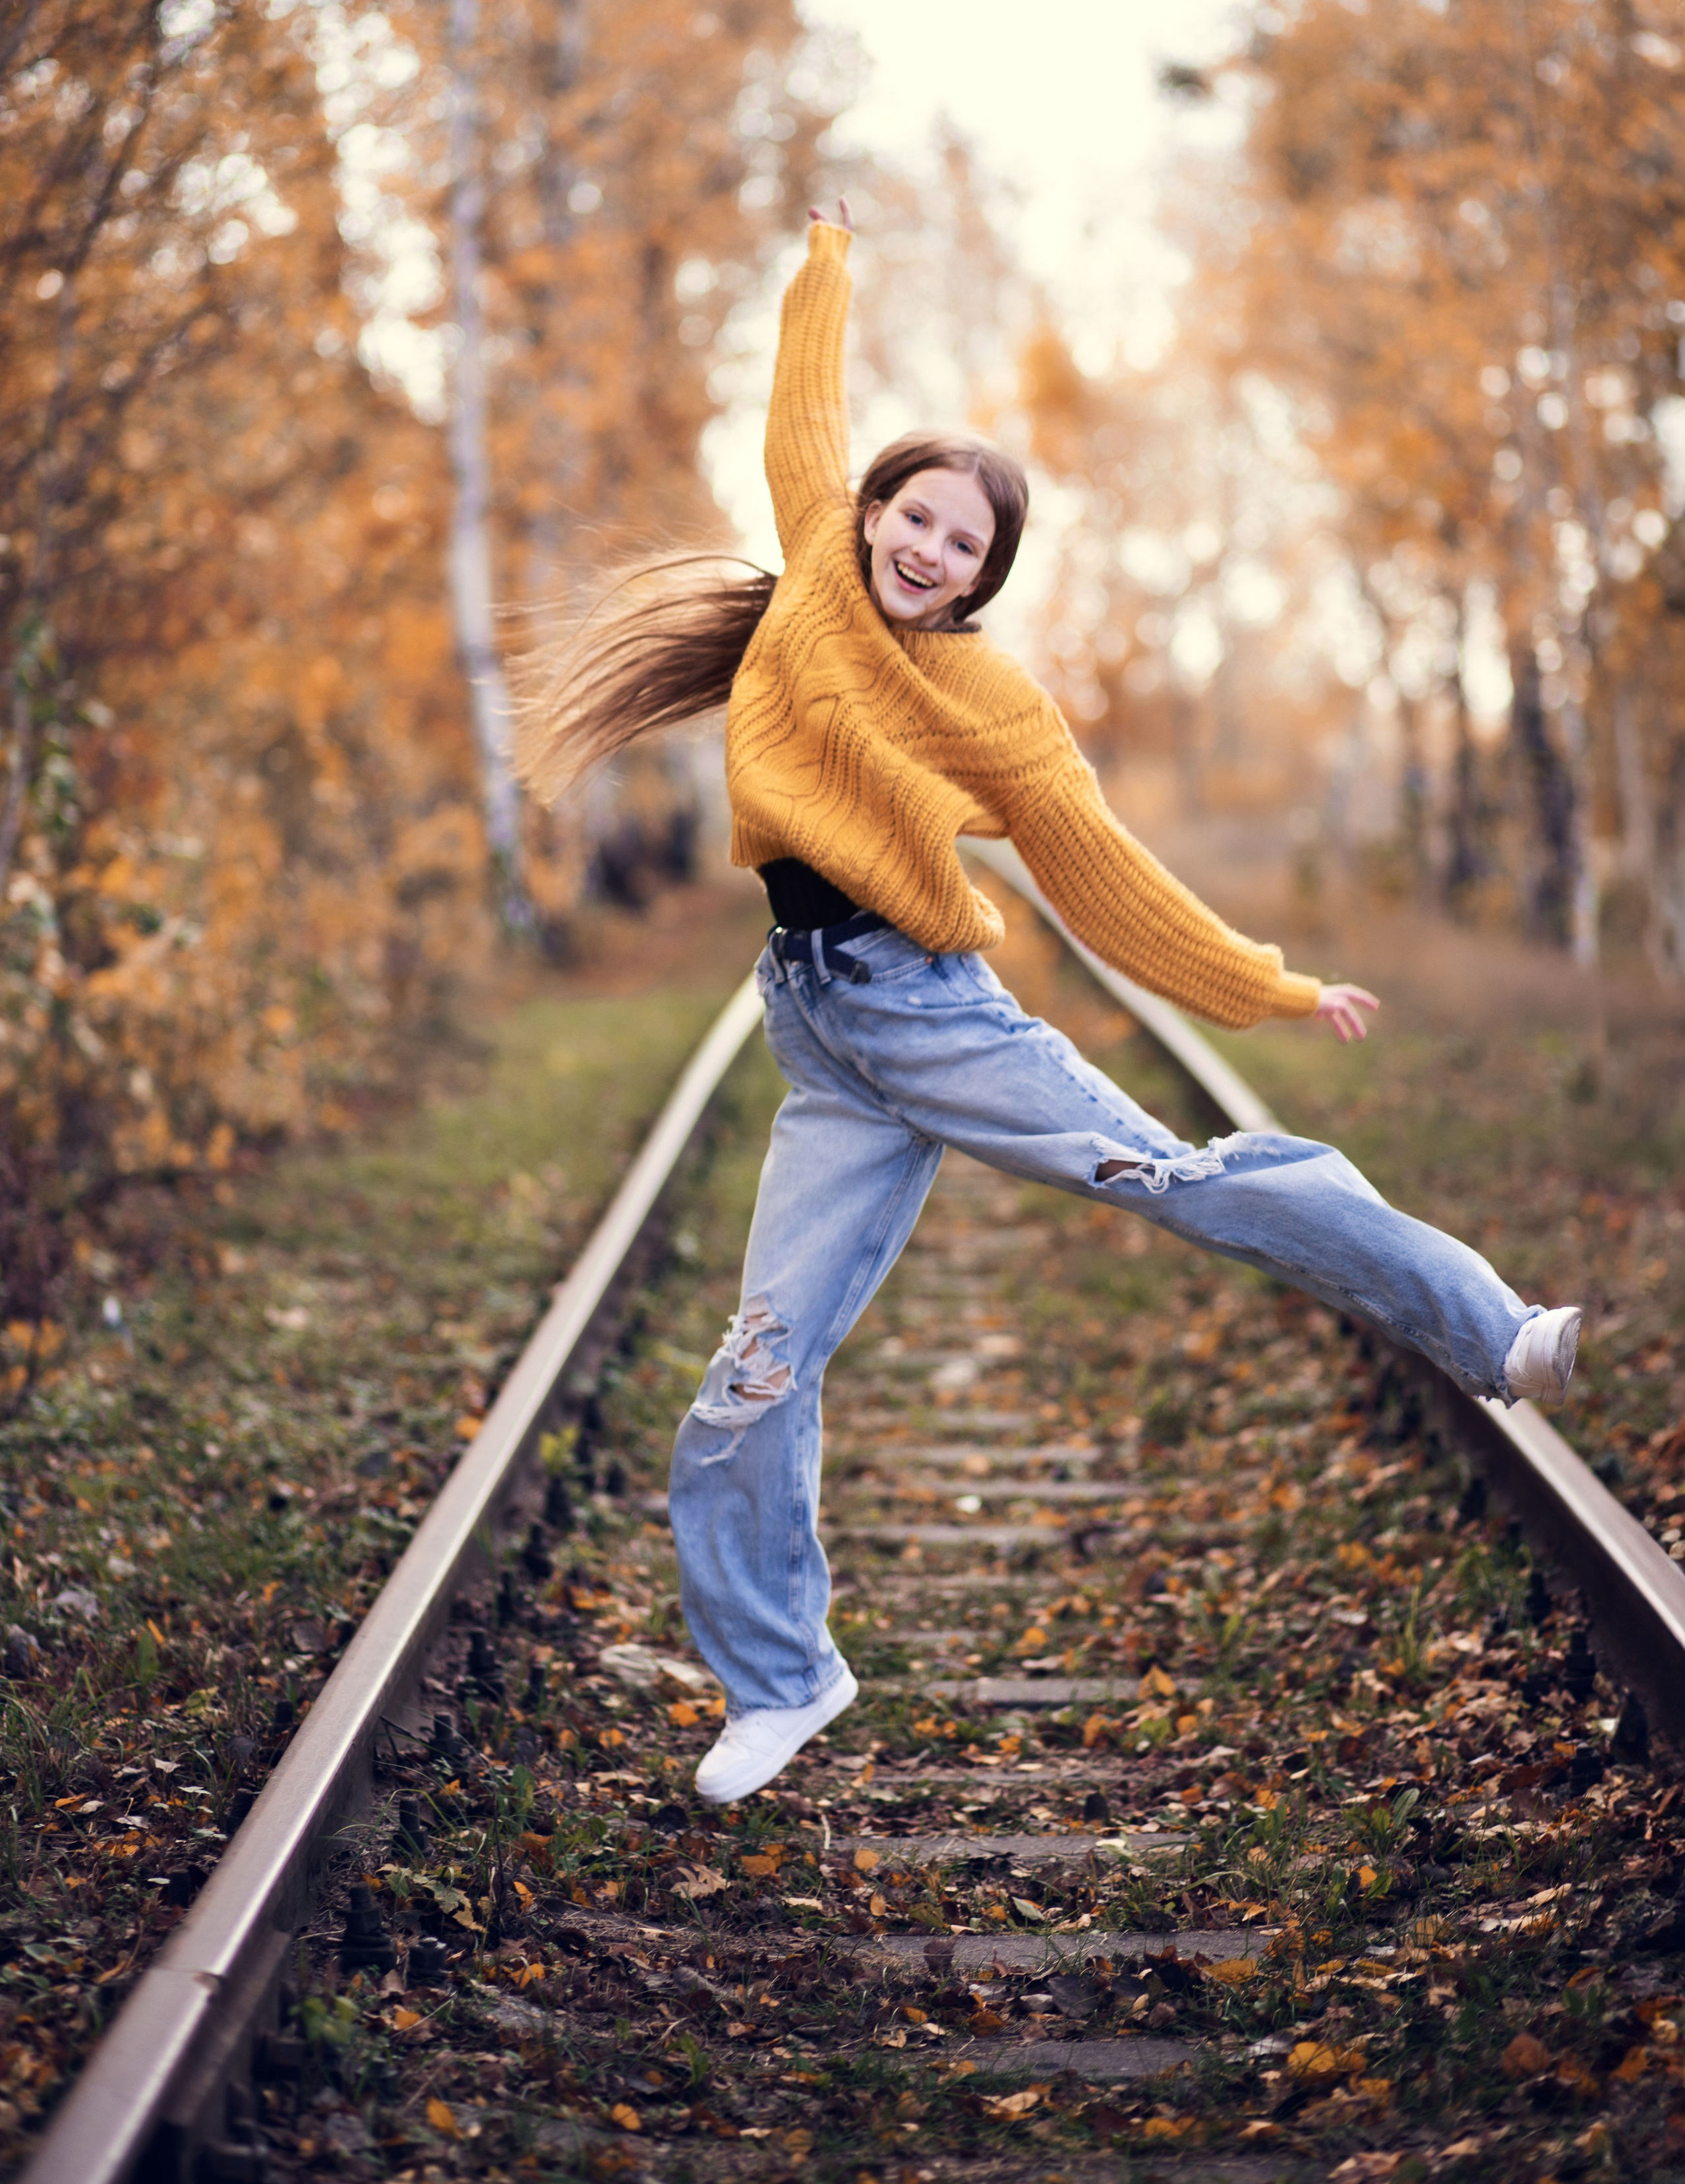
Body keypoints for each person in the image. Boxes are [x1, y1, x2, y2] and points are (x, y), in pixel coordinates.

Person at [511, 202, 1581, 1808]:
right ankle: (783, 1681)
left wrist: (1268, 987)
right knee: (750, 1374)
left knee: (1177, 1178)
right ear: (870, 511)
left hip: (928, 1011)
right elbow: (798, 410)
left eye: (963, 545)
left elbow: (1104, 879)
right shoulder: (812, 576)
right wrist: (827, 264)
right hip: (819, 1031)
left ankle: (1489, 1326)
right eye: (914, 517)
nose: (925, 551)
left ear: (983, 579)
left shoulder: (991, 707)